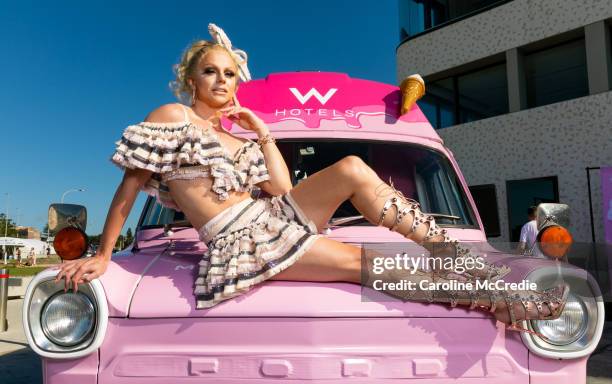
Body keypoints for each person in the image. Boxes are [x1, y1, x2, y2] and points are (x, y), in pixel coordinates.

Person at [54, 23, 567, 337]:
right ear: (192, 78)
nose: (222, 81)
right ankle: (496, 296)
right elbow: (127, 191)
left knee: (349, 169)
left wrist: (265, 134)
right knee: (368, 262)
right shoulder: (171, 117)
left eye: (230, 74)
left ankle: (454, 255)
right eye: (211, 71)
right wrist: (102, 252)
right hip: (237, 238)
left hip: (271, 217)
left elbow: (279, 190)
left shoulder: (239, 137)